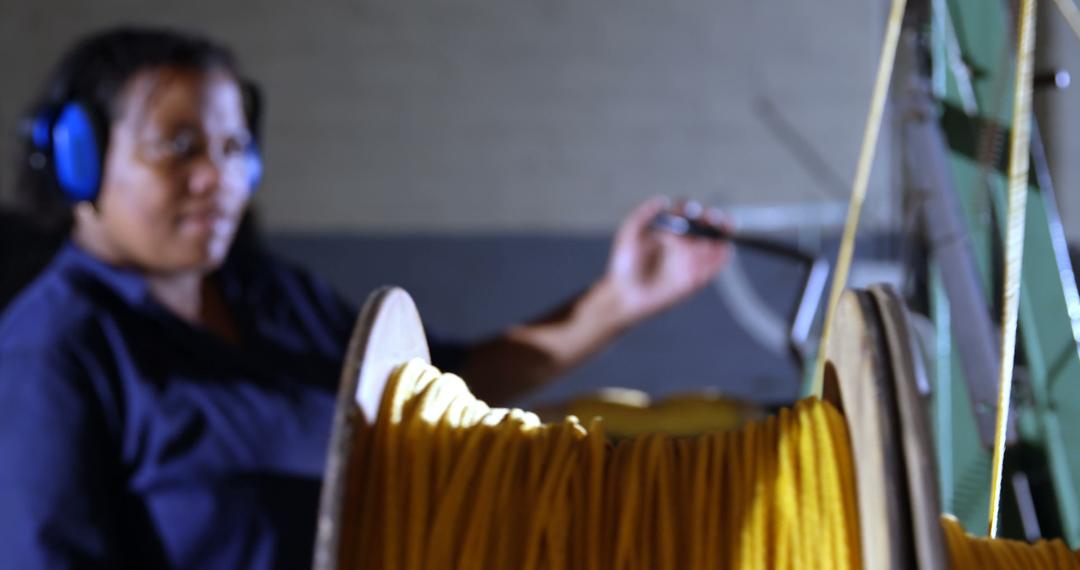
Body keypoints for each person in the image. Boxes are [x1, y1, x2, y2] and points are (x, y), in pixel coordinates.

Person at [0, 26, 731, 569]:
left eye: (232, 148)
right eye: (179, 146)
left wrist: (617, 299)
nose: (216, 177)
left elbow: (439, 394)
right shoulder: (50, 352)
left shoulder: (267, 294)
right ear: (78, 160)